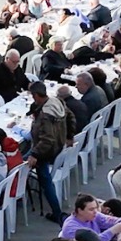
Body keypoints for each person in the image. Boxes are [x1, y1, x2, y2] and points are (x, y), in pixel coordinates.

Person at [25, 82, 73, 223]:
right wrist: (69, 135)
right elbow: (71, 117)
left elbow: (47, 140)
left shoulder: (46, 115)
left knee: (45, 181)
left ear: (35, 95)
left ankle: (57, 213)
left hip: (45, 152)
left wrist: (35, 154)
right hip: (58, 145)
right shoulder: (57, 102)